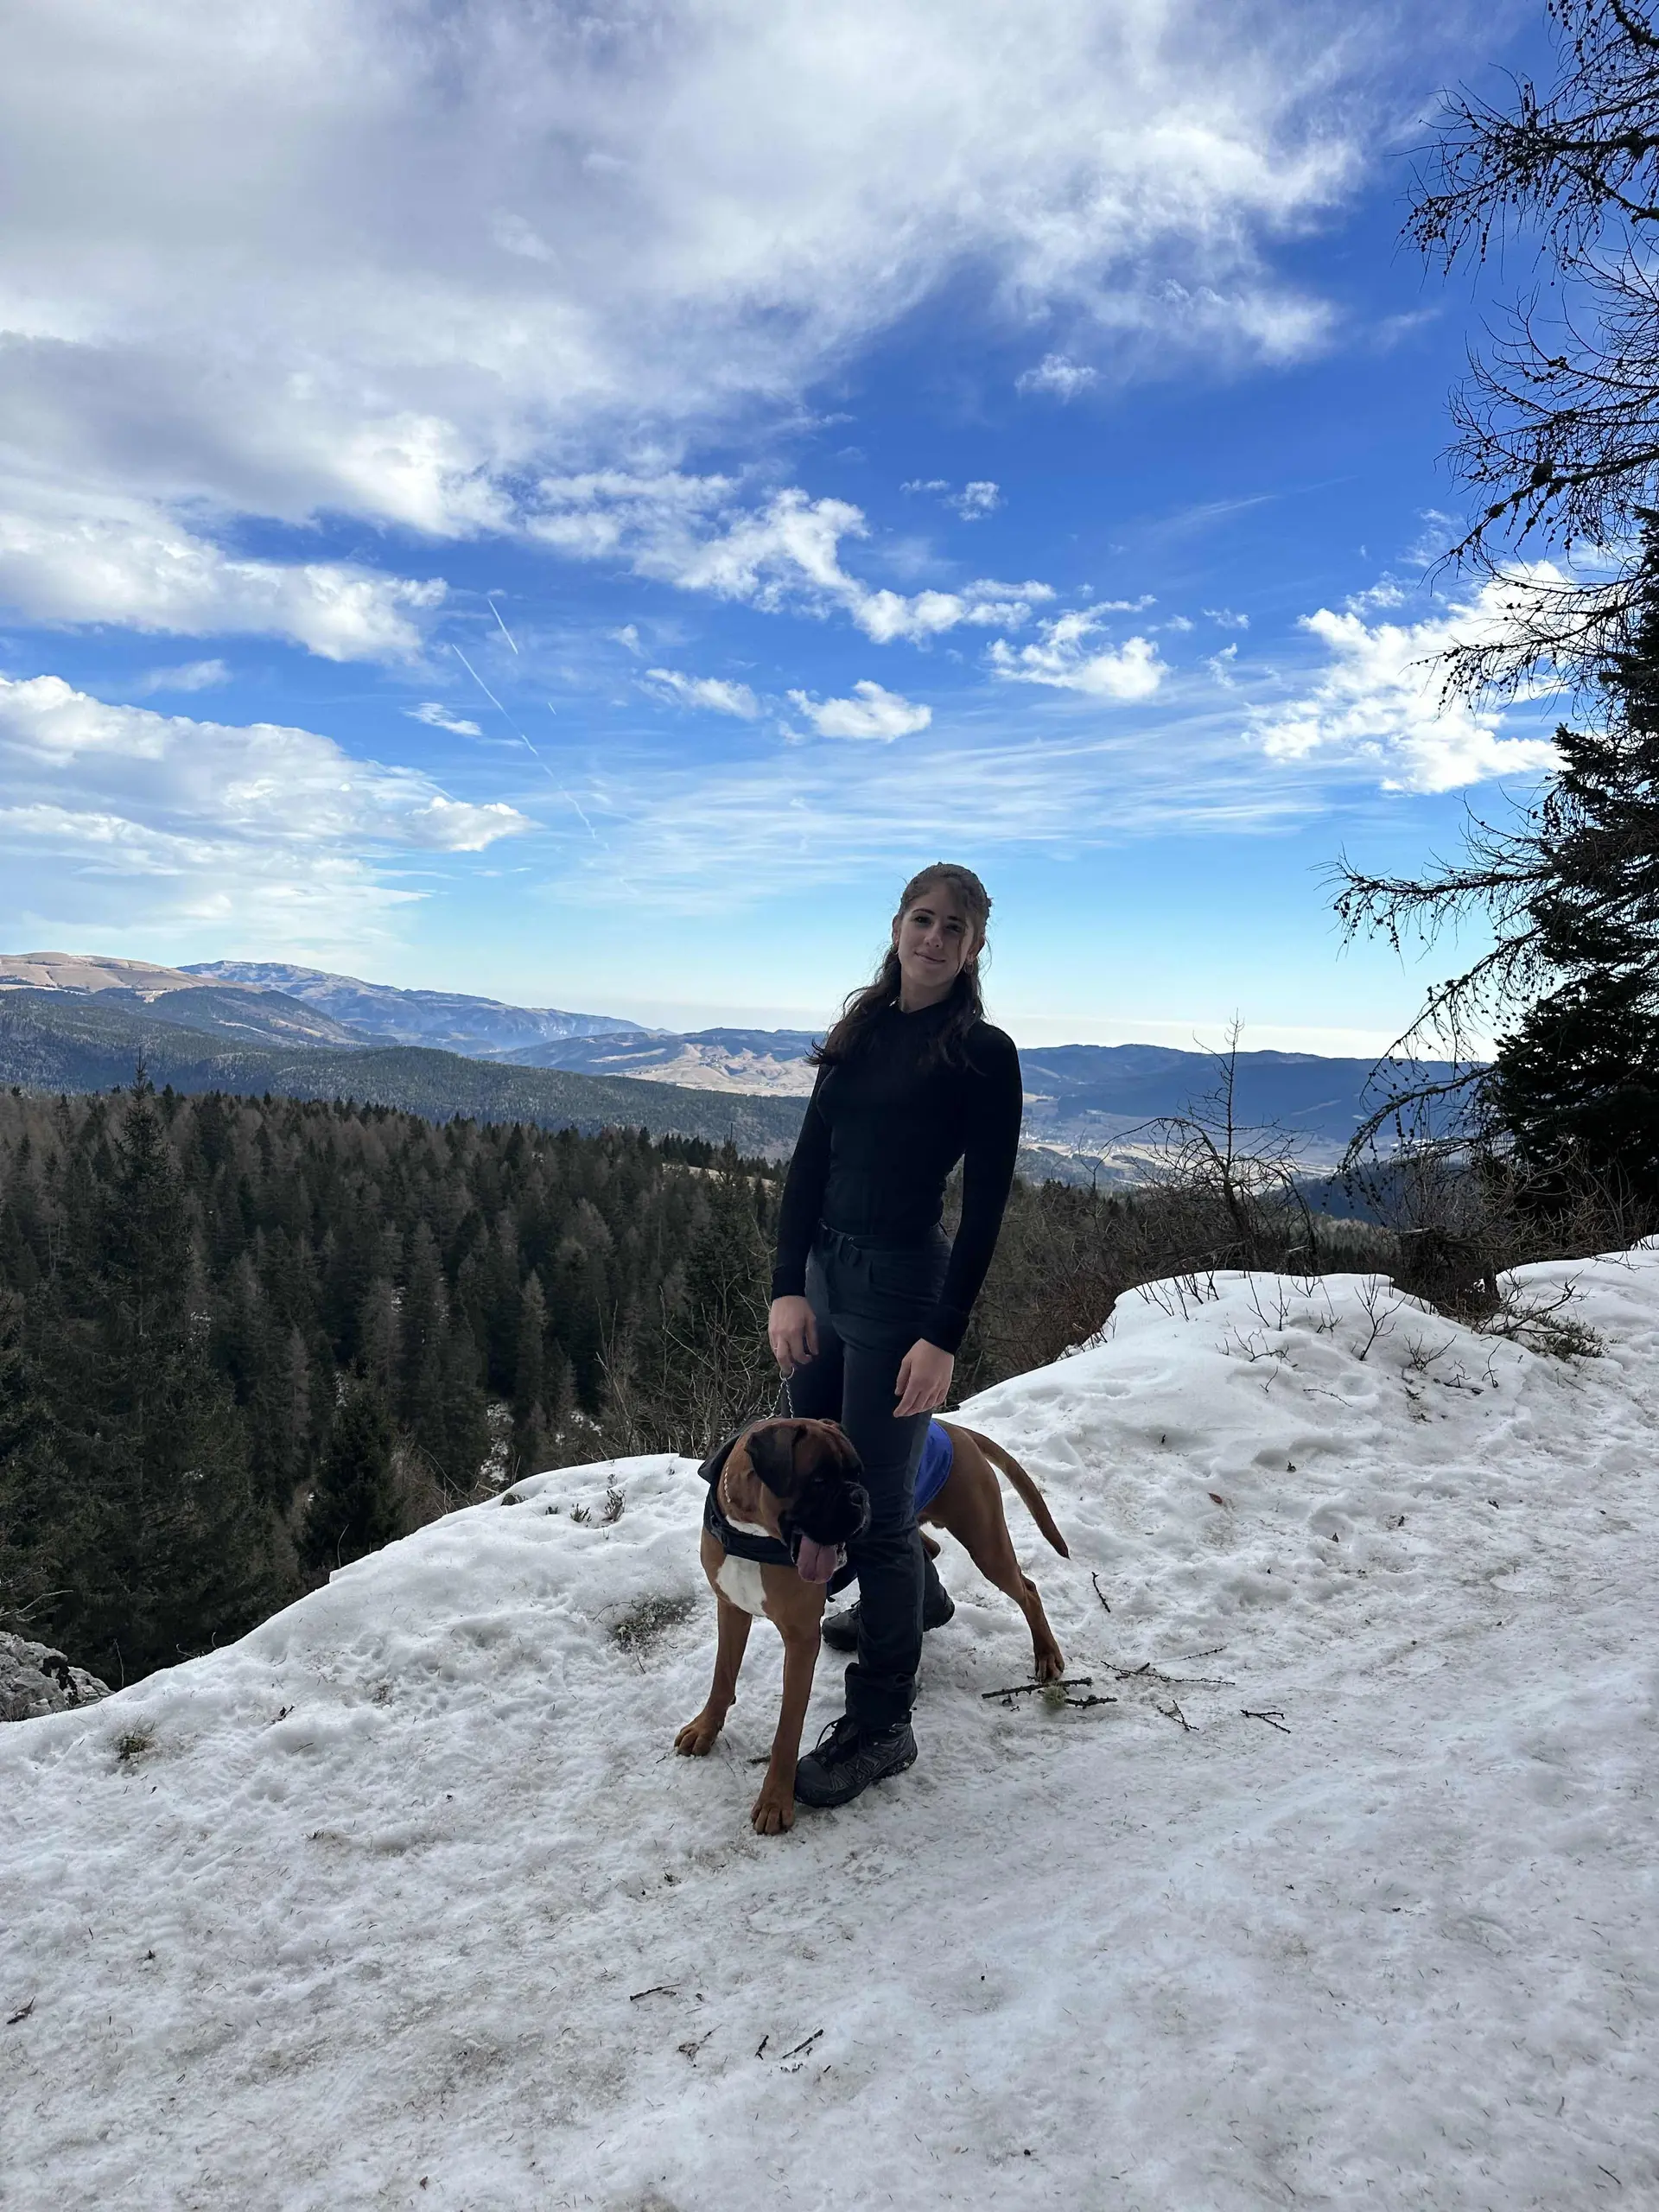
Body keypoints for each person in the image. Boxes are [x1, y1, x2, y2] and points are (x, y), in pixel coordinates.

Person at [767, 861, 1022, 1808]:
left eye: (955, 927)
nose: (935, 938)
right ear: (898, 926)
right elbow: (808, 1164)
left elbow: (985, 1208)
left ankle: (882, 1722)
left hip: (903, 1288)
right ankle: (916, 1590)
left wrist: (942, 1335)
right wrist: (787, 1287)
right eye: (924, 918)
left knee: (872, 1501)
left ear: (975, 948)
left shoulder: (982, 1053)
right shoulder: (862, 1030)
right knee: (811, 1468)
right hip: (827, 1279)